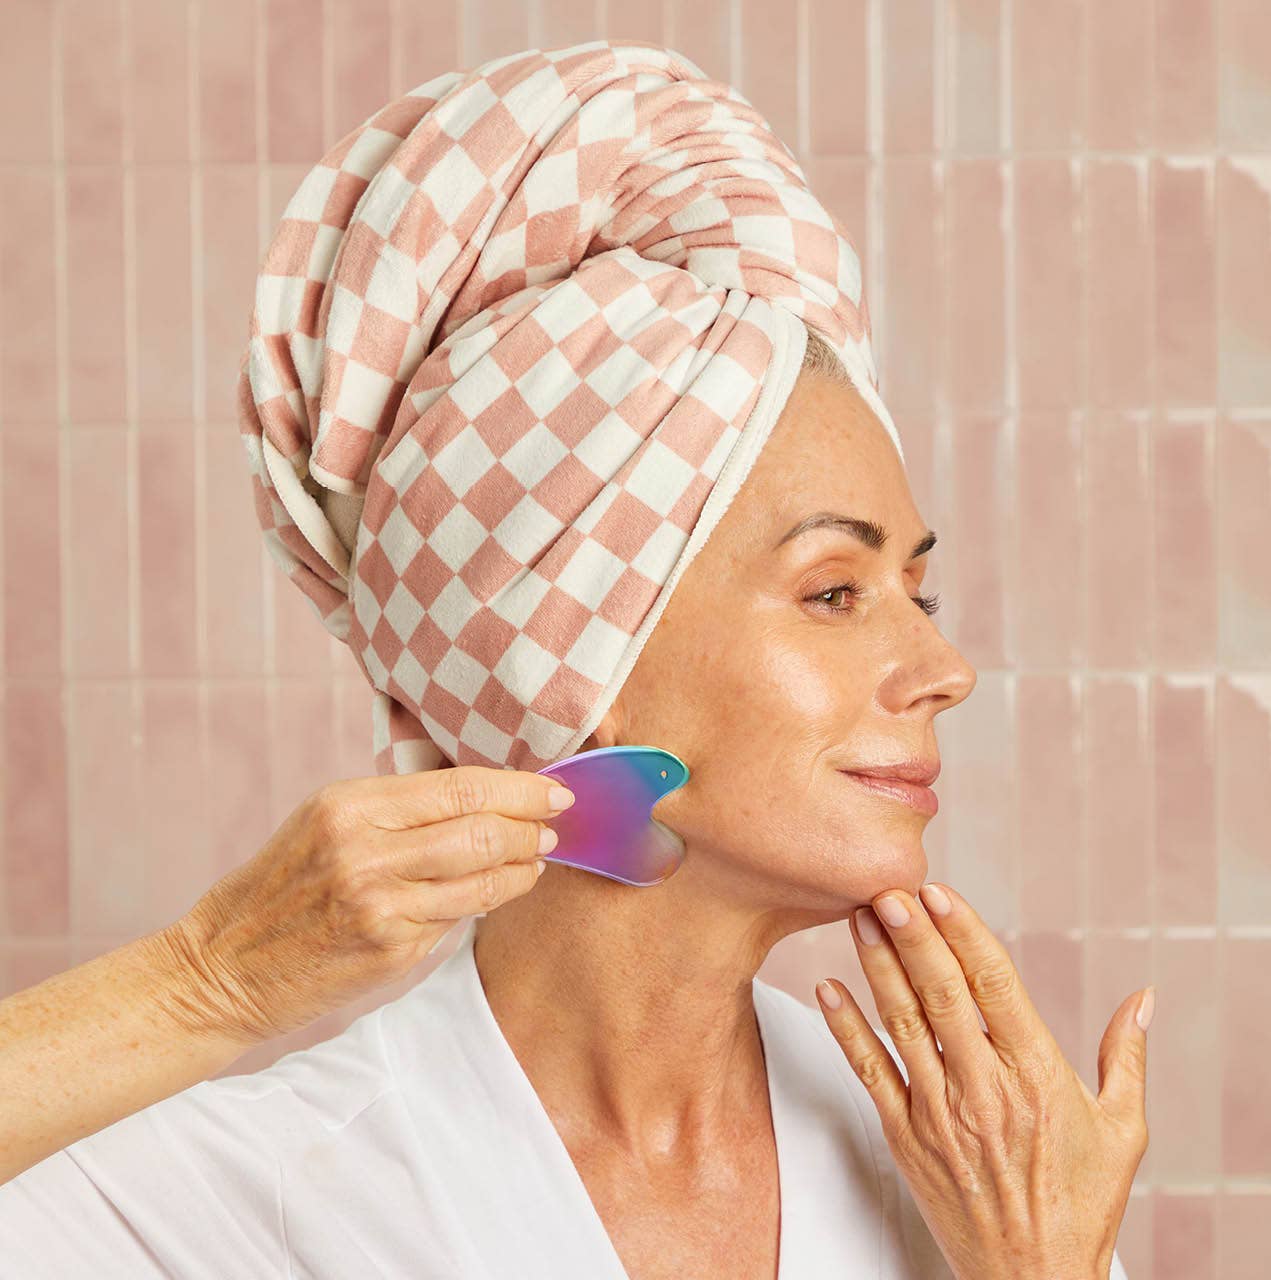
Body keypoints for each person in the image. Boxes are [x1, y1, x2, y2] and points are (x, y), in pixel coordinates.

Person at [0, 40, 1146, 1278]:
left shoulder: (985, 1171)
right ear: (570, 664)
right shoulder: (244, 1196)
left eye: (917, 592)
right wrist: (204, 980)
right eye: (832, 591)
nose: (943, 667)